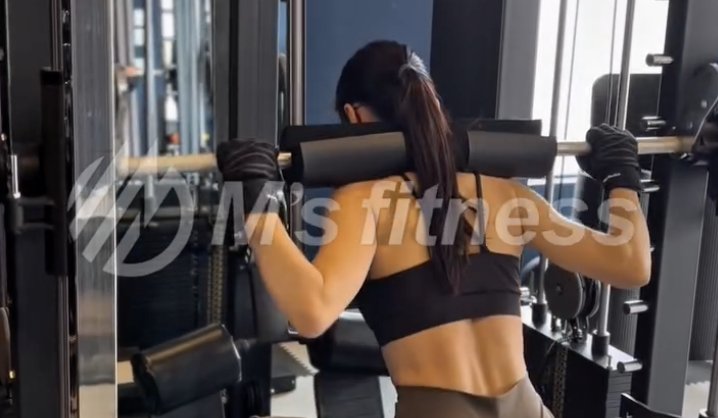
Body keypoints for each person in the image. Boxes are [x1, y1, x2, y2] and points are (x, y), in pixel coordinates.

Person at [216, 40, 651, 418]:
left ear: (352, 116)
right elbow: (630, 264)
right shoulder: (505, 194)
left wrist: (258, 206)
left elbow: (311, 313)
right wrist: (621, 178)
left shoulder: (365, 199)